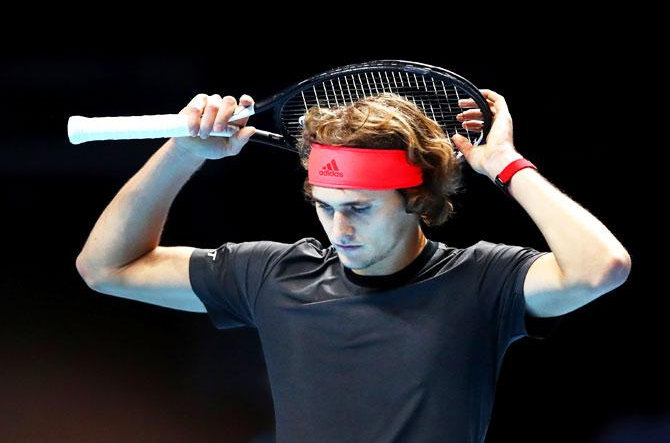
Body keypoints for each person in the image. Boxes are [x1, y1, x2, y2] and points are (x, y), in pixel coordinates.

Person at [76, 89, 631, 443]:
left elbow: (601, 266)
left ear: (417, 197)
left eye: (360, 209)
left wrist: (505, 164)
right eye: (325, 206)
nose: (339, 229)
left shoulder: (484, 281)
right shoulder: (270, 274)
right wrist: (185, 150)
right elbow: (106, 268)